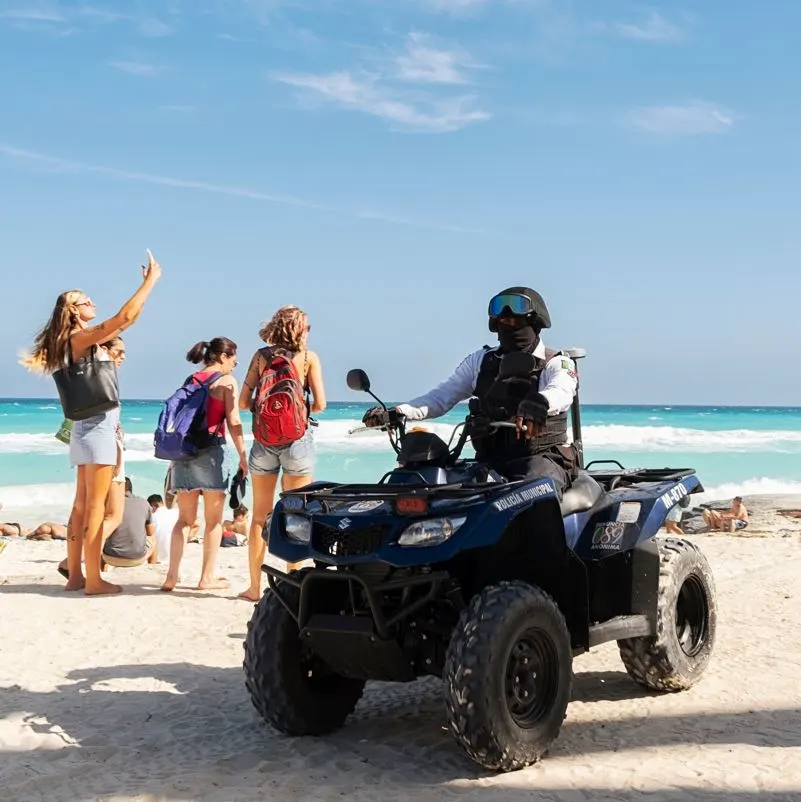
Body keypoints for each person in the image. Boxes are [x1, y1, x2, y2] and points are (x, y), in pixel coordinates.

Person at [21, 250, 161, 595]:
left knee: (81, 505)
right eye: (85, 301)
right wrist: (150, 282)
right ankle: (94, 579)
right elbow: (123, 318)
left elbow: (126, 320)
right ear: (73, 310)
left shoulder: (67, 342)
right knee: (95, 506)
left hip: (83, 427)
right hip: (98, 425)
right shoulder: (79, 339)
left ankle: (75, 577)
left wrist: (141, 295)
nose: (91, 303)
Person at [363, 287, 578, 494]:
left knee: (534, 495)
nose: (508, 323)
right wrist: (399, 412)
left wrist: (540, 402)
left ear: (534, 322)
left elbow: (561, 390)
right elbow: (442, 396)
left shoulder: (557, 362)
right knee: (434, 492)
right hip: (489, 461)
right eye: (503, 320)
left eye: (516, 320)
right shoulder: (480, 361)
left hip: (543, 459)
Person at [237, 305, 327, 601]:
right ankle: (294, 582)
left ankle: (253, 587)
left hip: (263, 442)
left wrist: (268, 411)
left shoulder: (261, 356)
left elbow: (243, 403)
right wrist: (297, 409)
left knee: (260, 515)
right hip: (297, 441)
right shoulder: (308, 359)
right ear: (301, 330)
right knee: (297, 513)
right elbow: (321, 405)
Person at [161, 337, 248, 592]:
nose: (236, 362)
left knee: (184, 521)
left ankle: (171, 577)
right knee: (213, 522)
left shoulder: (192, 380)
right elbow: (232, 421)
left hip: (183, 453)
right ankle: (205, 578)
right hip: (211, 452)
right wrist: (243, 455)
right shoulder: (226, 381)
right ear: (222, 357)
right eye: (233, 357)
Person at [101, 477, 157, 569]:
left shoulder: (107, 503)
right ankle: (152, 567)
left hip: (109, 557)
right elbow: (150, 533)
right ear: (130, 489)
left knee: (101, 538)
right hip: (137, 558)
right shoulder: (144, 503)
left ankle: (102, 571)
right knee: (153, 539)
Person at [147, 493, 181, 564]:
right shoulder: (177, 512)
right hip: (176, 559)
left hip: (158, 559)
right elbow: (196, 525)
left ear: (153, 506)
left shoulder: (152, 517)